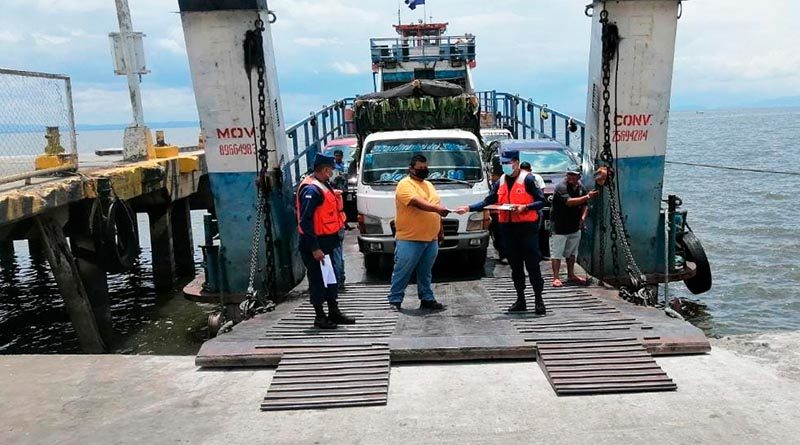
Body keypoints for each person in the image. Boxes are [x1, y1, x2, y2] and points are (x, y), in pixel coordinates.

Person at [456, 149, 547, 314]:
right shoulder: (501, 182)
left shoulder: (528, 179)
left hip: (526, 229)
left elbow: (541, 201)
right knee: (516, 267)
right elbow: (489, 200)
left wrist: (526, 207)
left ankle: (539, 300)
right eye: (503, 164)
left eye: (509, 163)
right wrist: (468, 208)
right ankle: (520, 300)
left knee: (533, 265)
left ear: (516, 162)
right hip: (508, 229)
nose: (506, 166)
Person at [296, 154, 354, 329]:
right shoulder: (311, 191)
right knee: (318, 281)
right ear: (324, 169)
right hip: (317, 245)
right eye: (330, 170)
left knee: (331, 280)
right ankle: (320, 317)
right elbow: (305, 221)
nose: (332, 173)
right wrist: (314, 248)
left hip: (328, 242)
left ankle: (333, 312)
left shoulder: (323, 184)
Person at [386, 154, 449, 311]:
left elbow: (436, 205)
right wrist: (438, 210)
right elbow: (417, 203)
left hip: (431, 238)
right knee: (403, 270)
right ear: (411, 169)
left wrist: (440, 229)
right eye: (420, 168)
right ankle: (395, 299)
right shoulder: (404, 185)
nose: (424, 171)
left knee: (425, 272)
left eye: (426, 168)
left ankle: (427, 298)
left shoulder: (428, 185)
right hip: (410, 239)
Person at [549, 168, 599, 287]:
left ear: (579, 177)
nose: (571, 177)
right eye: (569, 175)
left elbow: (585, 206)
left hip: (574, 226)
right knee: (556, 253)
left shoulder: (581, 188)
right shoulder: (561, 187)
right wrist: (588, 197)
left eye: (573, 175)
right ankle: (556, 277)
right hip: (559, 227)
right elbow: (569, 202)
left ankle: (571, 274)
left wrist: (582, 218)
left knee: (572, 253)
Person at [330, 149, 348, 289]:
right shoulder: (337, 195)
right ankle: (340, 278)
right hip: (339, 224)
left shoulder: (329, 194)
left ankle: (337, 280)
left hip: (334, 227)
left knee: (335, 254)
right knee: (338, 253)